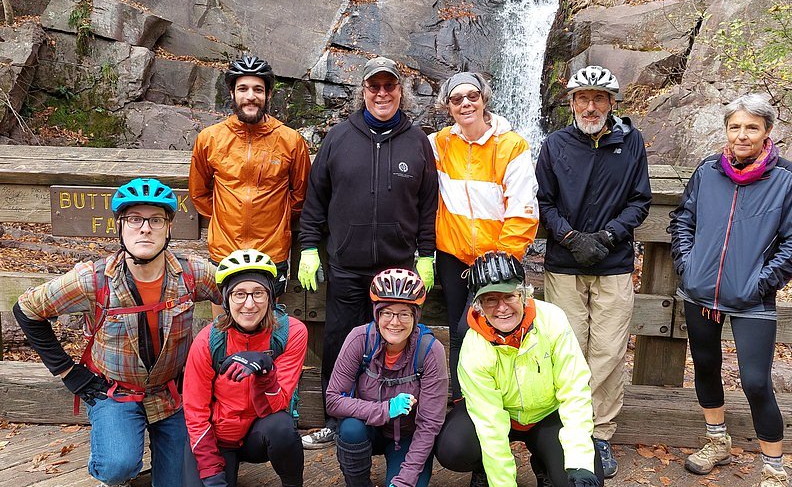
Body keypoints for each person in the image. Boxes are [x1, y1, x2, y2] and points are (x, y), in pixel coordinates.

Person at [13, 178, 222, 487]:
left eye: (156, 220)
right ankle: (115, 469)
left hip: (171, 391)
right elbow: (26, 310)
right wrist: (69, 373)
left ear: (168, 228)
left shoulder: (191, 273)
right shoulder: (92, 280)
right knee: (117, 465)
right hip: (115, 392)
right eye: (134, 219)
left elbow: (237, 297)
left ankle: (161, 455)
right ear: (120, 227)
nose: (145, 229)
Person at [669, 92, 792, 487]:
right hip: (701, 293)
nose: (742, 134)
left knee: (754, 381)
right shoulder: (708, 170)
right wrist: (691, 269)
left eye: (752, 127)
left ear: (768, 132)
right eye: (735, 127)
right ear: (726, 130)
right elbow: (683, 220)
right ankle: (717, 439)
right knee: (706, 367)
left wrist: (756, 285)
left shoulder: (786, 178)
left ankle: (774, 472)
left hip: (751, 299)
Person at [297, 56, 439, 449]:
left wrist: (425, 254)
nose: (382, 93)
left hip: (396, 271)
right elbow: (315, 200)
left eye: (389, 86)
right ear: (363, 91)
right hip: (346, 264)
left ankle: (388, 419)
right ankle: (335, 417)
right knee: (340, 340)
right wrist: (309, 246)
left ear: (399, 92)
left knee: (394, 343)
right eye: (374, 87)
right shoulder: (339, 137)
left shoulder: (418, 142)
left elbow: (429, 205)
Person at [434, 251, 604, 487]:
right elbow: (490, 428)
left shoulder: (552, 320)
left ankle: (545, 471)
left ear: (524, 293)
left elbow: (575, 390)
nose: (502, 307)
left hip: (545, 414)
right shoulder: (473, 348)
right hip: (501, 415)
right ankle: (482, 473)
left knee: (584, 476)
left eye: (509, 296)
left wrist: (578, 459)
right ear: (478, 306)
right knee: (453, 448)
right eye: (490, 300)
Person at [535, 65, 651, 479]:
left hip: (613, 262)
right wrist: (569, 238)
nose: (590, 106)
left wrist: (606, 235)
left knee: (607, 351)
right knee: (567, 350)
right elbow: (543, 201)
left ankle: (599, 434)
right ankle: (568, 429)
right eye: (582, 98)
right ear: (571, 103)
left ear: (612, 103)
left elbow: (640, 201)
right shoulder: (554, 144)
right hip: (564, 264)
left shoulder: (631, 142)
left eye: (598, 98)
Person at [181, 249, 319, 487]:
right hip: (218, 437)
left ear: (271, 298)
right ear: (227, 299)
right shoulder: (208, 341)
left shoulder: (290, 333)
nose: (249, 303)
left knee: (281, 427)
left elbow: (278, 404)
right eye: (239, 294)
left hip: (259, 434)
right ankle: (225, 482)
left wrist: (266, 370)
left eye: (258, 293)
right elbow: (194, 413)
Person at [429, 71, 538, 401]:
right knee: (455, 326)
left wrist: (503, 258)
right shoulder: (439, 144)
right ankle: (461, 399)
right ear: (447, 106)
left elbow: (522, 207)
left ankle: (494, 398)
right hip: (452, 255)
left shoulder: (511, 145)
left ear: (484, 98)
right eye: (457, 99)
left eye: (472, 96)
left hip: (495, 258)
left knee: (476, 326)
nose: (466, 104)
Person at [326, 268, 448, 487]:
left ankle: (399, 480)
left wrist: (403, 484)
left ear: (415, 317)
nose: (395, 322)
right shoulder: (360, 339)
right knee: (350, 429)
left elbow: (429, 424)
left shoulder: (430, 351)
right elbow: (333, 399)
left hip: (404, 434)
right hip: (368, 428)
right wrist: (384, 409)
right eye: (387, 313)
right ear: (377, 314)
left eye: (404, 314)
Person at [189, 55, 311, 296]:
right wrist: (225, 219)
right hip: (225, 249)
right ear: (232, 93)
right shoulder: (210, 138)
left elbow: (300, 195)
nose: (250, 96)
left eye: (258, 89)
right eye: (242, 89)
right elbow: (199, 191)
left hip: (271, 250)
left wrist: (279, 218)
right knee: (222, 325)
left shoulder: (290, 140)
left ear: (268, 94)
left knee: (269, 323)